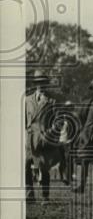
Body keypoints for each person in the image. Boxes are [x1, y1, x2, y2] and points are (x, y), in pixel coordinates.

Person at [25, 72, 57, 202]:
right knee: (26, 165)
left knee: (44, 167)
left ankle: (45, 196)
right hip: (29, 138)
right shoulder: (27, 100)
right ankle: (29, 195)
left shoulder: (52, 101)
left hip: (43, 139)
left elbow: (57, 122)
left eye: (43, 83)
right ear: (35, 84)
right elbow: (23, 119)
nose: (41, 85)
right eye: (38, 83)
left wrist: (49, 132)